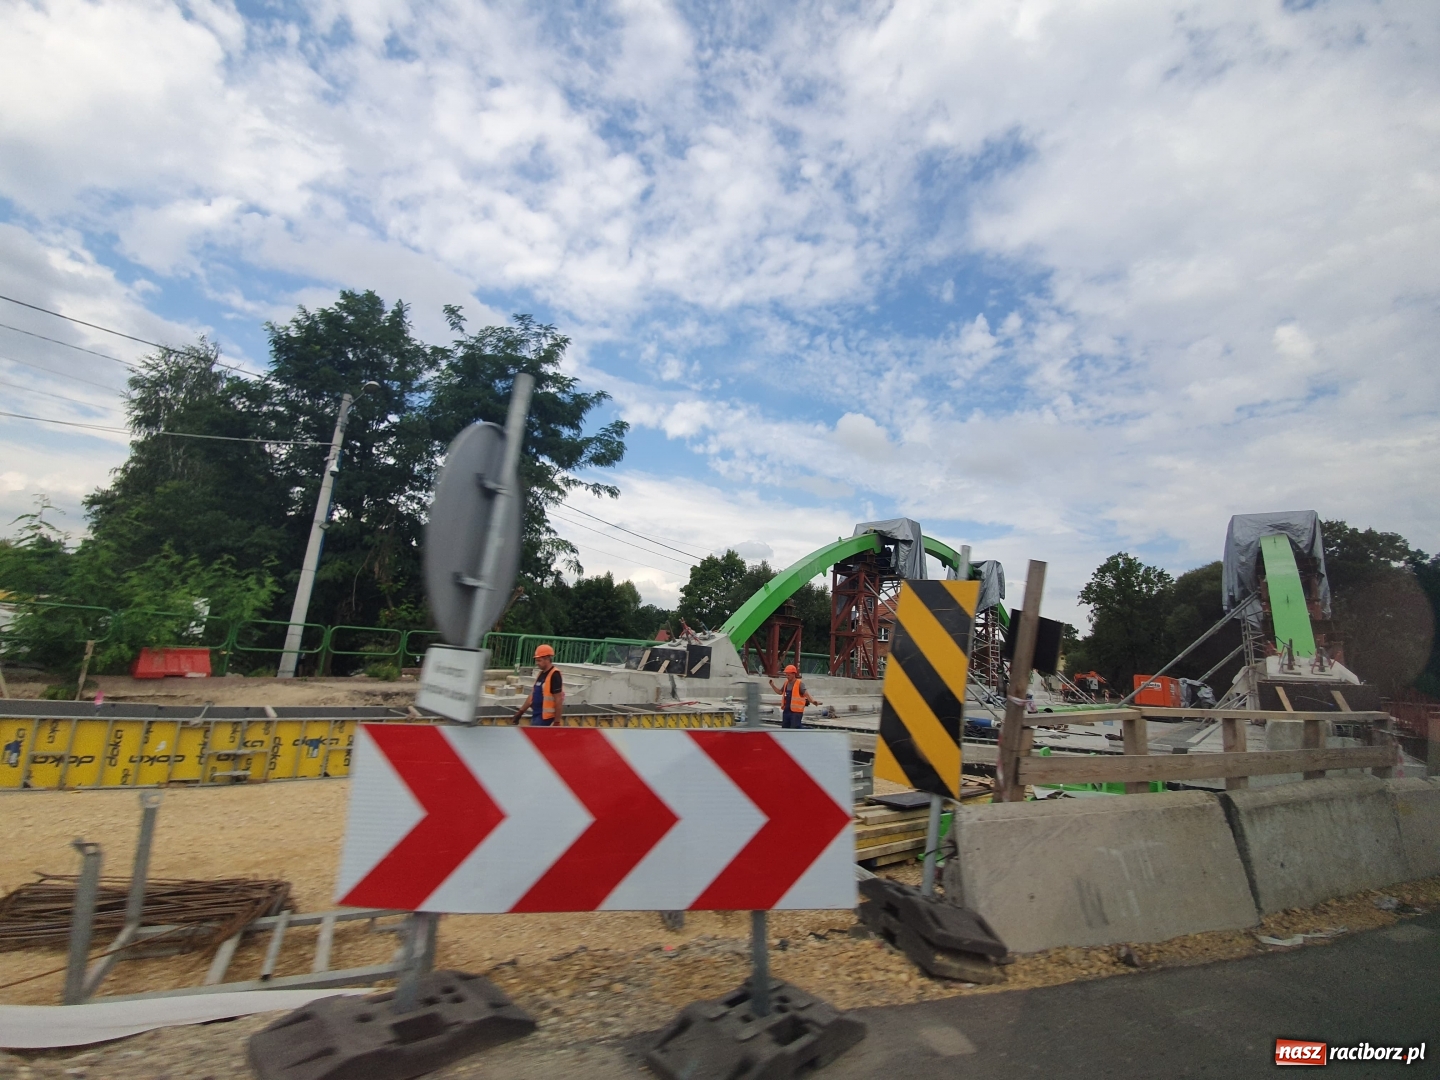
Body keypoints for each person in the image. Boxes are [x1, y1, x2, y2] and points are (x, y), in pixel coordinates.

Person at [512, 644, 564, 726]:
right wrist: (520, 712)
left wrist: (557, 721)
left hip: (546, 718)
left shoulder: (554, 674)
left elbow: (558, 699)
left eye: (539, 660)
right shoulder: (541, 674)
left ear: (547, 659)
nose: (537, 663)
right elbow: (532, 695)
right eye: (536, 660)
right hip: (537, 714)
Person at [768, 664, 818, 729]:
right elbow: (780, 692)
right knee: (785, 728)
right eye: (786, 675)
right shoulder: (786, 683)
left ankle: (809, 730)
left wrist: (813, 701)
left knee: (795, 729)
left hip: (796, 712)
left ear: (793, 674)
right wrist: (772, 685)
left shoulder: (799, 684)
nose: (787, 676)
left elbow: (806, 694)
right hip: (787, 710)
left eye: (788, 675)